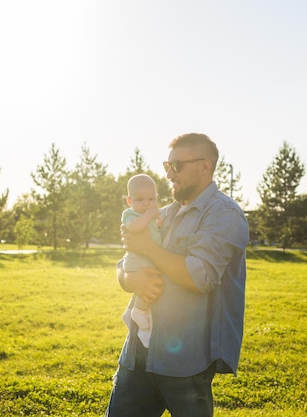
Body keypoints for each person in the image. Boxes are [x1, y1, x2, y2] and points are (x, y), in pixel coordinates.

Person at [105, 133, 249, 417]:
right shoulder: (161, 213)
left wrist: (147, 246)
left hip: (187, 363)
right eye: (167, 165)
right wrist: (130, 280)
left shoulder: (224, 215)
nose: (169, 174)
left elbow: (200, 277)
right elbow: (123, 264)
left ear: (205, 166)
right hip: (138, 354)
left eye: (177, 166)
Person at [121, 173, 163, 348]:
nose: (146, 204)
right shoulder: (130, 214)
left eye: (151, 199)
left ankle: (132, 311)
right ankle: (138, 311)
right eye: (140, 200)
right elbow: (135, 227)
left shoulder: (151, 214)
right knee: (149, 283)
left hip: (148, 258)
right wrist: (150, 215)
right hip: (137, 260)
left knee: (153, 283)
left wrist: (158, 221)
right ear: (129, 201)